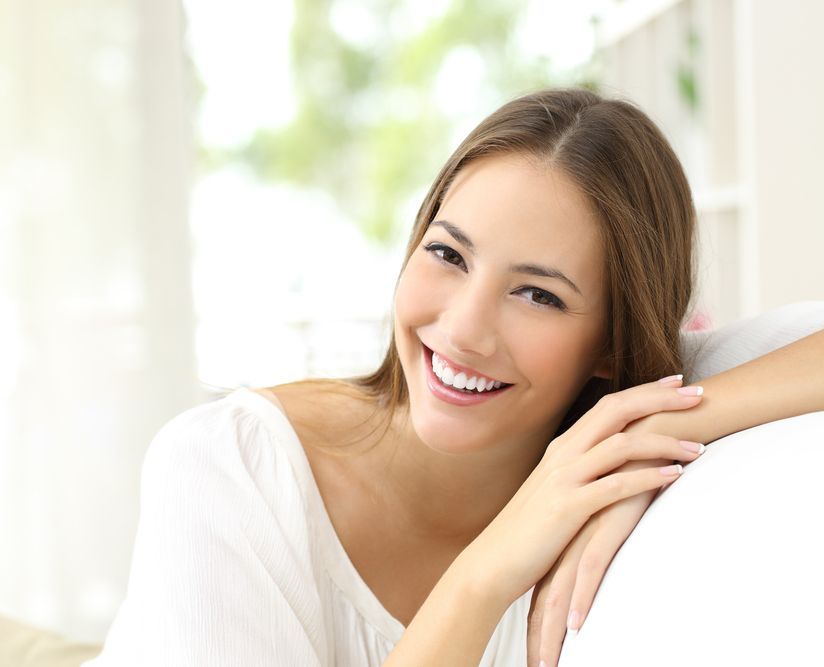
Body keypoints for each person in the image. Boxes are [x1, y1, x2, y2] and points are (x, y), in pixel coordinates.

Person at [82, 88, 824, 666]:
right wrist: (485, 574)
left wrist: (672, 420)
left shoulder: (613, 424)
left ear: (610, 344)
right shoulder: (228, 468)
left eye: (538, 294)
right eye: (449, 254)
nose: (464, 328)